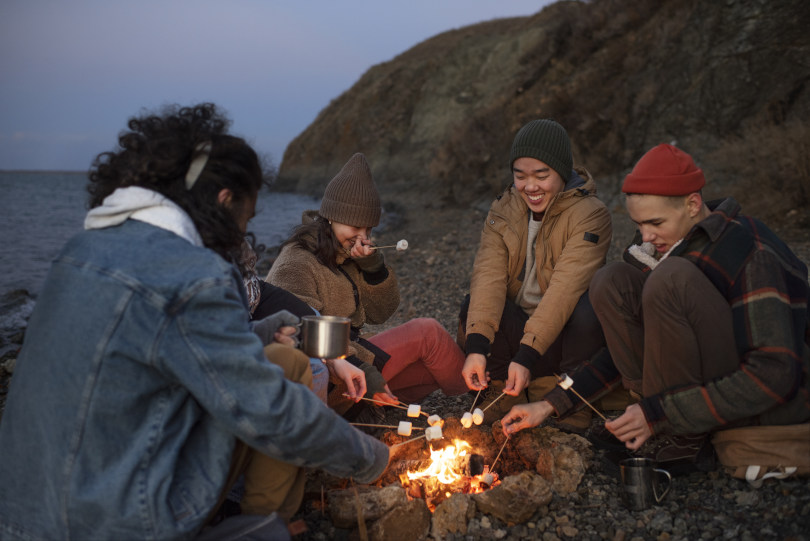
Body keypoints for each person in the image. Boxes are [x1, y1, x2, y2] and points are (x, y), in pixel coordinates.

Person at [0, 104, 388, 541]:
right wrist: (370, 458)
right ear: (225, 201)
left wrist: (260, 331)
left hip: (20, 515)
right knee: (282, 383)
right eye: (247, 217)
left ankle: (259, 516)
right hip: (118, 523)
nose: (244, 232)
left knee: (284, 358)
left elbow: (150, 343)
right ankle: (257, 526)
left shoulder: (79, 251)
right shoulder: (193, 273)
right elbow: (264, 402)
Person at [502, 143, 810, 468]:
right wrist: (550, 405)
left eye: (655, 223)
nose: (646, 237)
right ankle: (656, 420)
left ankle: (682, 434)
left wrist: (660, 414)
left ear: (692, 204)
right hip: (684, 393)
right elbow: (629, 349)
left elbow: (774, 375)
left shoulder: (748, 250)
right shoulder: (665, 246)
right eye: (638, 225)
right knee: (612, 280)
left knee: (670, 277)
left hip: (766, 400)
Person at [266, 152, 468, 418]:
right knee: (428, 332)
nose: (362, 239)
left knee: (431, 369)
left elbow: (380, 313)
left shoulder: (344, 253)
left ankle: (375, 412)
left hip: (351, 365)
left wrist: (375, 270)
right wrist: (361, 365)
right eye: (355, 228)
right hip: (331, 379)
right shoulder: (297, 261)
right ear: (331, 217)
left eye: (369, 231)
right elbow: (302, 335)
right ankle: (476, 394)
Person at [457, 119, 613, 427]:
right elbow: (488, 276)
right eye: (521, 176)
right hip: (519, 330)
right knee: (474, 303)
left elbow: (563, 294)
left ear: (562, 171)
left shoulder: (591, 215)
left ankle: (563, 396)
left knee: (587, 308)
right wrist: (476, 348)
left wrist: (527, 357)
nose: (531, 186)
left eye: (542, 175)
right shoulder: (504, 208)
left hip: (563, 336)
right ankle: (503, 391)